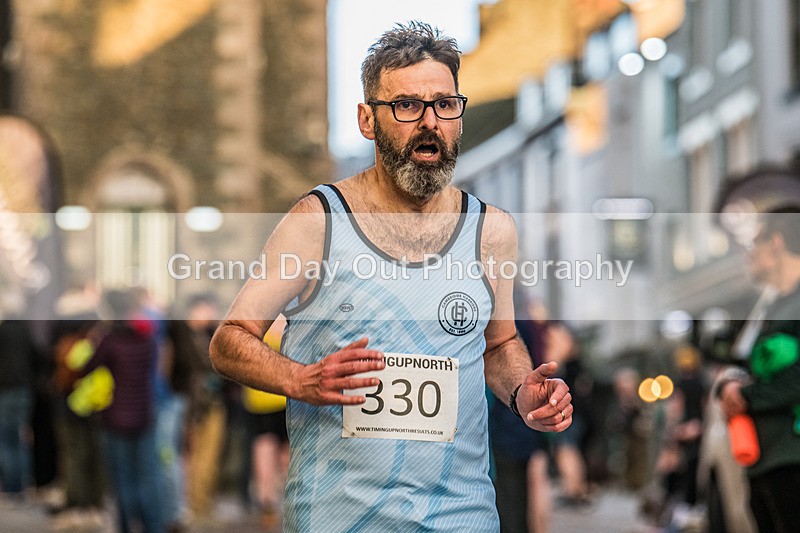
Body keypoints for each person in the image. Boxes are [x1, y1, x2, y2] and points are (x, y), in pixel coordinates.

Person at [209, 22, 572, 532]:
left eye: (444, 105)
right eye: (407, 106)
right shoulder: (319, 221)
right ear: (367, 120)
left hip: (459, 516)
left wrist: (522, 392)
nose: (430, 122)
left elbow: (499, 345)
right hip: (337, 518)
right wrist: (299, 379)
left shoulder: (491, 230)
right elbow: (229, 341)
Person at [719, 207, 800, 533]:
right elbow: (742, 366)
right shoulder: (773, 306)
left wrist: (747, 397)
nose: (749, 254)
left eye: (755, 243)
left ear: (776, 243)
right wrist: (728, 387)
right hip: (766, 462)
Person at [80, 290, 163, 533]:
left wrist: (94, 341)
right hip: (144, 414)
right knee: (146, 477)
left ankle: (126, 527)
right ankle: (152, 527)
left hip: (115, 417)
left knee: (123, 479)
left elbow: (87, 367)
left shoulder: (109, 340)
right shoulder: (147, 338)